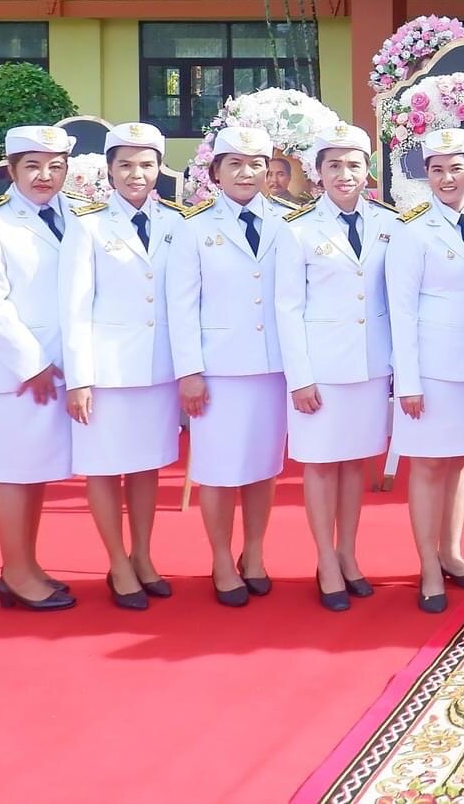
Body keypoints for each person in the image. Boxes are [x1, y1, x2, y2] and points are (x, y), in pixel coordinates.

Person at [58, 122, 186, 610]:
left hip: (158, 370)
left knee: (149, 466)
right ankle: (117, 561)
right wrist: (79, 378)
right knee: (104, 468)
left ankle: (145, 555)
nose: (137, 174)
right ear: (109, 170)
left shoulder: (176, 222)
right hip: (106, 373)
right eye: (126, 165)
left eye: (147, 164)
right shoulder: (87, 225)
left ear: (160, 168)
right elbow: (74, 306)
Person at [169, 125, 297, 607]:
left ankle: (255, 552)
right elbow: (181, 306)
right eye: (235, 164)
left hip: (272, 367)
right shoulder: (194, 227)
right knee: (219, 470)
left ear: (269, 170)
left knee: (264, 467)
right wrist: (189, 371)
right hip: (218, 371)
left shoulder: (288, 222)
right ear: (216, 172)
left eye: (256, 164)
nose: (247, 173)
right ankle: (222, 558)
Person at [0, 124, 80, 612]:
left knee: (37, 473)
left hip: (61, 369)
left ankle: (26, 567)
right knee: (13, 472)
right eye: (32, 166)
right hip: (17, 373)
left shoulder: (76, 216)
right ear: (10, 171)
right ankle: (14, 571)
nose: (44, 176)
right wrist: (31, 364)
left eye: (55, 166)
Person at [276, 123, 397, 612]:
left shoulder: (389, 223)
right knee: (322, 466)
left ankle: (348, 554)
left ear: (367, 169)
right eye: (334, 166)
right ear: (317, 173)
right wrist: (300, 377)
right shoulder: (298, 230)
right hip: (321, 370)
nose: (344, 174)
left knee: (355, 464)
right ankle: (325, 559)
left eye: (353, 164)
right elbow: (287, 308)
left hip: (370, 366)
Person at [386, 128, 464, 615]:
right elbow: (401, 311)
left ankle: (451, 552)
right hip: (431, 369)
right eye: (436, 169)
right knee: (429, 465)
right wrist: (407, 382)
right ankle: (427, 565)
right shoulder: (411, 230)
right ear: (425, 175)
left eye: (456, 168)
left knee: (459, 461)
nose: (447, 178)